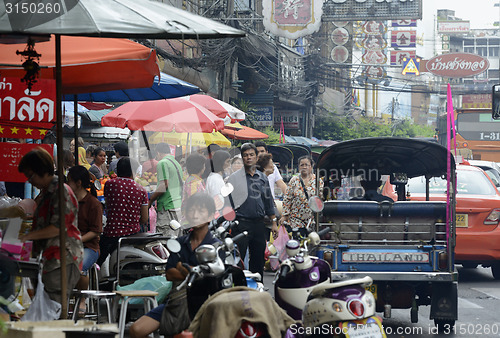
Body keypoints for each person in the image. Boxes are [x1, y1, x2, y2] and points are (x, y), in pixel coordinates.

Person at [129, 193, 220, 338]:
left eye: (201, 211)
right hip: (176, 303)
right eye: (192, 210)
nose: (195, 215)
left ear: (210, 216)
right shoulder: (180, 242)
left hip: (204, 306)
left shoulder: (216, 246)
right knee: (136, 330)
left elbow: (214, 278)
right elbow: (169, 274)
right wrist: (191, 272)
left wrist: (182, 268)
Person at [3, 148, 84, 306]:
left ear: (41, 171)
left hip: (62, 259)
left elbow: (58, 227)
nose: (30, 180)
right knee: (44, 305)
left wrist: (26, 237)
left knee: (54, 307)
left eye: (30, 175)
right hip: (47, 258)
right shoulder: (46, 193)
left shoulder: (61, 192)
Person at [226, 143, 277, 278]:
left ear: (256, 157)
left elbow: (268, 202)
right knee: (239, 259)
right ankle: (239, 287)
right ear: (242, 158)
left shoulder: (262, 178)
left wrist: (274, 223)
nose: (248, 158)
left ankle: (258, 287)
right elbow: (227, 203)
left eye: (251, 155)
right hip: (240, 223)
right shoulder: (234, 178)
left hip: (259, 224)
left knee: (258, 258)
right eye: (245, 155)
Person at [96, 157, 148, 267]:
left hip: (111, 234)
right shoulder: (141, 189)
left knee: (96, 262)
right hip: (132, 236)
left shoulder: (110, 184)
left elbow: (108, 205)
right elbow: (144, 219)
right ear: (133, 171)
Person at [67, 165, 103, 315]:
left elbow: (96, 231)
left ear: (78, 183)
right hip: (68, 245)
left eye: (69, 181)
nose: (67, 185)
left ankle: (81, 299)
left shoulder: (93, 204)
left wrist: (77, 240)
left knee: (79, 265)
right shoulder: (67, 201)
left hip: (89, 247)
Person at [280, 156, 324, 232]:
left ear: (311, 166)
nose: (304, 167)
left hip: (312, 218)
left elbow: (321, 198)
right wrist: (285, 215)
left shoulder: (318, 181)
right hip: (296, 218)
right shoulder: (294, 180)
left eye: (306, 165)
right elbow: (287, 198)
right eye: (302, 165)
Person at [148, 143, 183, 237]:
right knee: (175, 238)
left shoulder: (162, 163)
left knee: (165, 238)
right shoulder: (176, 163)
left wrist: (150, 200)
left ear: (158, 152)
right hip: (176, 205)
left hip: (166, 206)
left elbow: (164, 185)